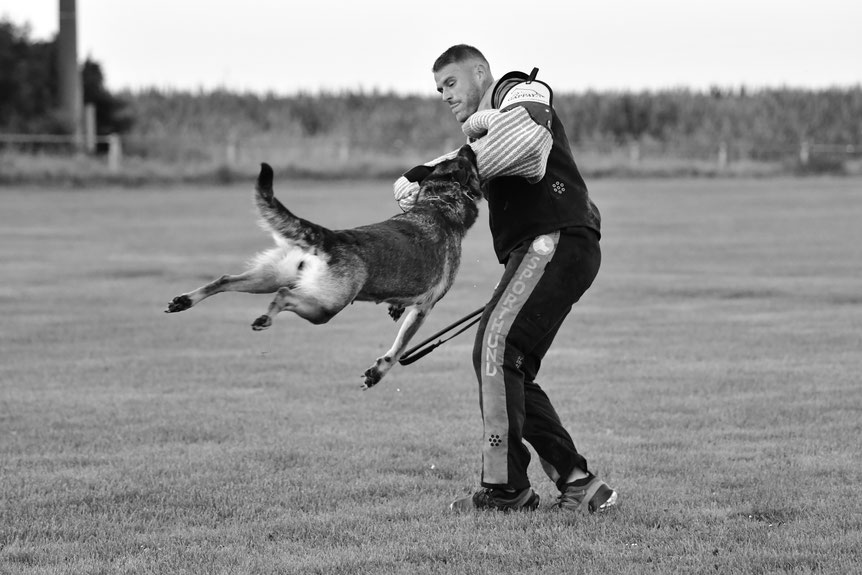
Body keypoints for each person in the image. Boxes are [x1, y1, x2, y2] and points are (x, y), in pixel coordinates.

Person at [394, 44, 617, 513]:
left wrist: (448, 162)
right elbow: (447, 179)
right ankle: (579, 483)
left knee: (495, 347)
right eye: (439, 90)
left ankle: (505, 489)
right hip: (546, 248)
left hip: (552, 241)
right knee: (509, 362)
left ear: (480, 72)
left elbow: (529, 150)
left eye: (451, 83)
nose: (445, 96)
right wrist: (431, 176)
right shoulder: (485, 142)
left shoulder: (521, 90)